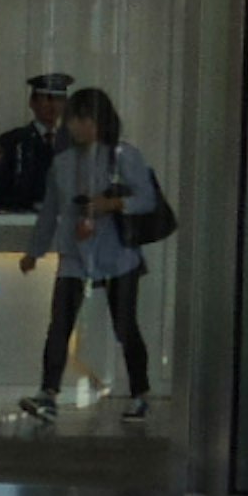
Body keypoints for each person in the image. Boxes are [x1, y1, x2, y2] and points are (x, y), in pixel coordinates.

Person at [15, 83, 160, 424]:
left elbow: (147, 199)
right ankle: (48, 393)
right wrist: (34, 252)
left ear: (99, 121)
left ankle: (140, 392)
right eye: (73, 120)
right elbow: (50, 211)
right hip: (74, 255)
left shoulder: (123, 156)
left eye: (81, 119)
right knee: (59, 325)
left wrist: (113, 203)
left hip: (118, 254)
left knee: (125, 326)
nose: (74, 127)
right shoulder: (63, 163)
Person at [0, 73, 69, 216]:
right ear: (32, 102)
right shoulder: (12, 141)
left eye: (59, 99)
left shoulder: (72, 143)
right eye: (46, 98)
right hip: (19, 220)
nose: (52, 105)